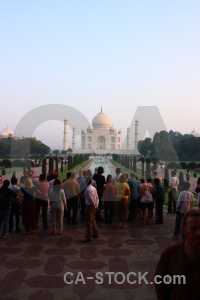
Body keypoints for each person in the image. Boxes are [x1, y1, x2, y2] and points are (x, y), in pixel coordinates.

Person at [155, 210, 200, 300]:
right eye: (193, 229)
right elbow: (159, 278)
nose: (198, 233)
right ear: (184, 230)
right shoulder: (171, 252)